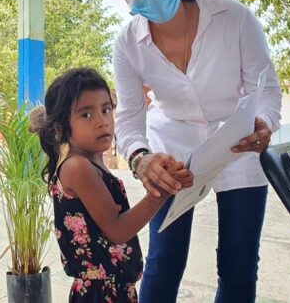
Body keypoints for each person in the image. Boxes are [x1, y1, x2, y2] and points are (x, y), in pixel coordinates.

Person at [111, 0, 283, 303]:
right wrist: (141, 159)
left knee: (239, 266)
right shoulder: (126, 45)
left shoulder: (234, 17)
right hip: (170, 153)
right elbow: (128, 118)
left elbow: (266, 88)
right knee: (163, 262)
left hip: (238, 143)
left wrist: (264, 123)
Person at [29, 68, 193, 303]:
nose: (101, 122)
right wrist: (160, 193)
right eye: (86, 114)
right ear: (61, 127)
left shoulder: (91, 164)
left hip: (113, 290)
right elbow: (117, 230)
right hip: (100, 294)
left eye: (106, 109)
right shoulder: (78, 167)